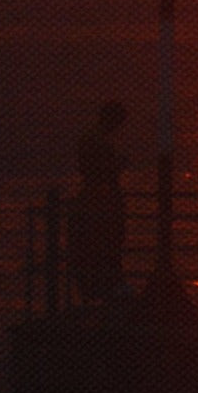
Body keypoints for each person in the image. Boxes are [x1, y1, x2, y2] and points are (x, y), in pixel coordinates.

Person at [68, 101, 128, 302]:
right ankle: (107, 291)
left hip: (95, 196)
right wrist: (119, 165)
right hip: (101, 199)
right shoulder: (99, 141)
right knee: (106, 245)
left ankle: (96, 291)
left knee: (94, 248)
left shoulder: (90, 137)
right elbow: (102, 170)